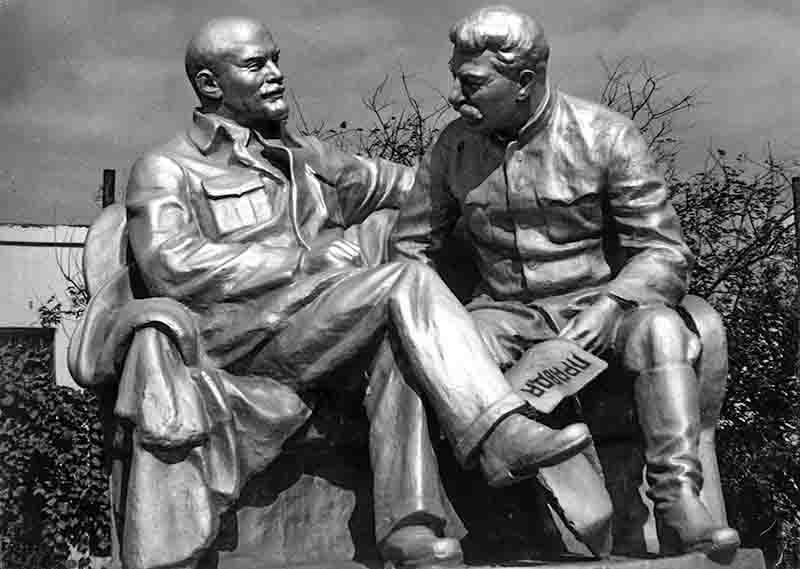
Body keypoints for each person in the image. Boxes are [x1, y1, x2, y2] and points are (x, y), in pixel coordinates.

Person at [121, 16, 592, 568]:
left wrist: (509, 178)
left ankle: (410, 528)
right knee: (403, 281)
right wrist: (305, 259)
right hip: (237, 338)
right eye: (256, 65)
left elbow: (420, 185)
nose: (276, 75)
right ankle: (498, 433)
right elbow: (173, 266)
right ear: (209, 84)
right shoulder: (168, 167)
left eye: (275, 59)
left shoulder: (311, 160)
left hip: (321, 329)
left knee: (405, 340)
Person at [391, 5, 740, 558]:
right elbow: (411, 247)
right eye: (457, 79)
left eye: (473, 83)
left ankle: (677, 499)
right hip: (505, 314)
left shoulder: (606, 136)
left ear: (524, 82)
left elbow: (664, 250)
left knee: (662, 333)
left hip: (602, 307)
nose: (458, 96)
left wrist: (612, 305)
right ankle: (450, 529)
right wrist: (442, 314)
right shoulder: (451, 148)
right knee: (443, 352)